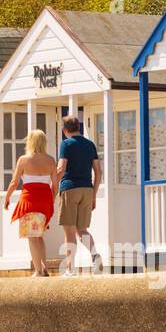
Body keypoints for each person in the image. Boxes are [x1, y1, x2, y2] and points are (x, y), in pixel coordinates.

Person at [3, 130, 58, 276]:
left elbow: (14, 183)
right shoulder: (51, 160)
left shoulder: (23, 160)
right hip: (45, 200)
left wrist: (7, 197)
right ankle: (44, 267)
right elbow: (56, 186)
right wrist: (51, 200)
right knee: (39, 235)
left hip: (30, 200)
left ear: (30, 142)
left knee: (32, 237)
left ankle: (38, 270)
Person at [57, 116, 103, 275]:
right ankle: (95, 256)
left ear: (65, 130)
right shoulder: (90, 145)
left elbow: (61, 168)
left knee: (69, 232)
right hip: (87, 190)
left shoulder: (66, 144)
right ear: (79, 127)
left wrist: (52, 183)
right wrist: (94, 195)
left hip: (70, 189)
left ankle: (70, 270)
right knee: (82, 229)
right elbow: (98, 171)